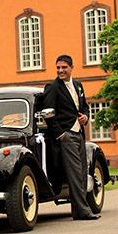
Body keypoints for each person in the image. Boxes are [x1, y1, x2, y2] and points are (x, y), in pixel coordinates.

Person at [43, 55, 100, 220]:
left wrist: (86, 118)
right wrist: (60, 134)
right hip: (66, 135)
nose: (60, 71)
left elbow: (85, 108)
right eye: (58, 68)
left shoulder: (78, 86)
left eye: (64, 67)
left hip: (79, 134)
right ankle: (84, 211)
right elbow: (48, 113)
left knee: (82, 172)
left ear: (71, 68)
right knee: (74, 174)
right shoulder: (52, 87)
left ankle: (77, 211)